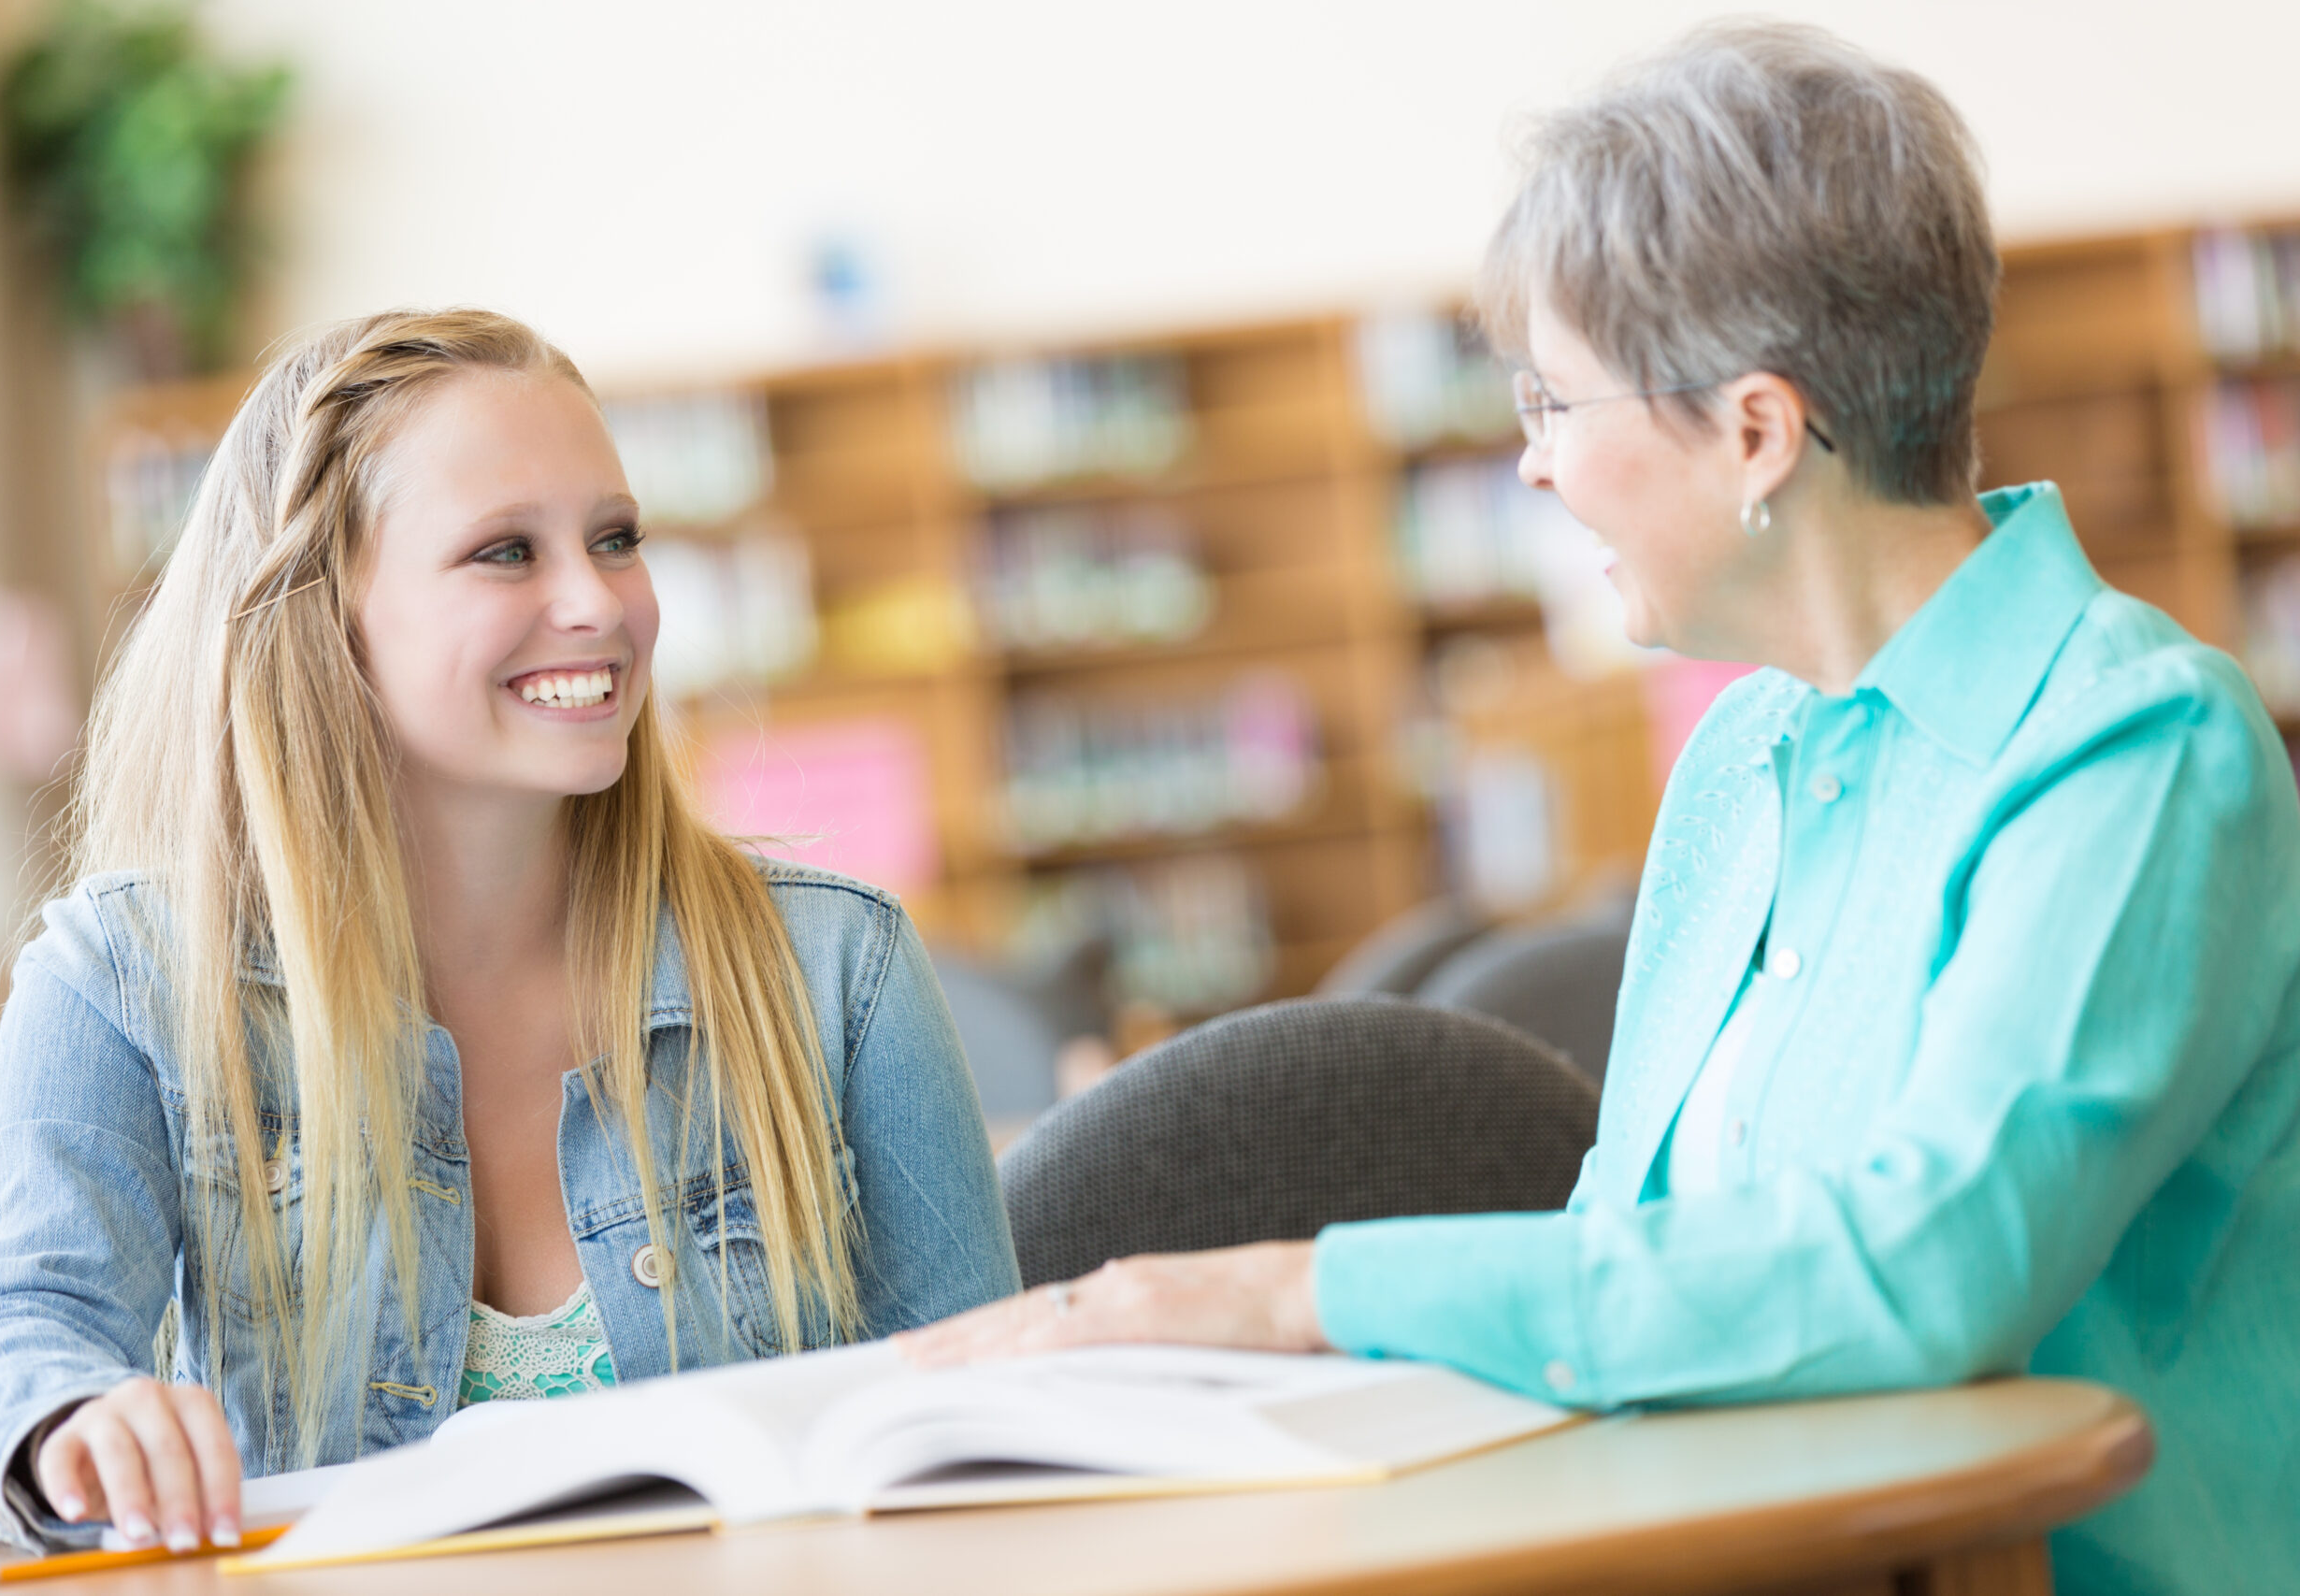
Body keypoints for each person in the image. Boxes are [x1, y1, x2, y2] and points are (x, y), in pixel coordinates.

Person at [901, 24, 2300, 1595]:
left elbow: (1930, 1274)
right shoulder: (1738, 758)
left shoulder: (2137, 749)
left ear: (1757, 433)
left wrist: (1299, 1292)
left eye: (1555, 404)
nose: (1533, 468)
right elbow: (1624, 1237)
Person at [0, 309, 1020, 1553]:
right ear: (323, 615)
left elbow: (979, 1436)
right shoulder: (124, 984)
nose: (598, 603)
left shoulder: (838, 969)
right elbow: (15, 1342)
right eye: (506, 551)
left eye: (617, 540)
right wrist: (70, 1421)